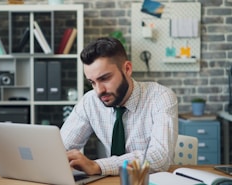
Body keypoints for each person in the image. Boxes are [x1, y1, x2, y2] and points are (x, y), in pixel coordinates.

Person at [60, 37, 178, 176]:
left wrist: (97, 166)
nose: (99, 90)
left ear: (127, 69)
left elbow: (160, 157)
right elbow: (61, 148)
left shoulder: (161, 97)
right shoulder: (90, 102)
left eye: (104, 78)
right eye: (92, 82)